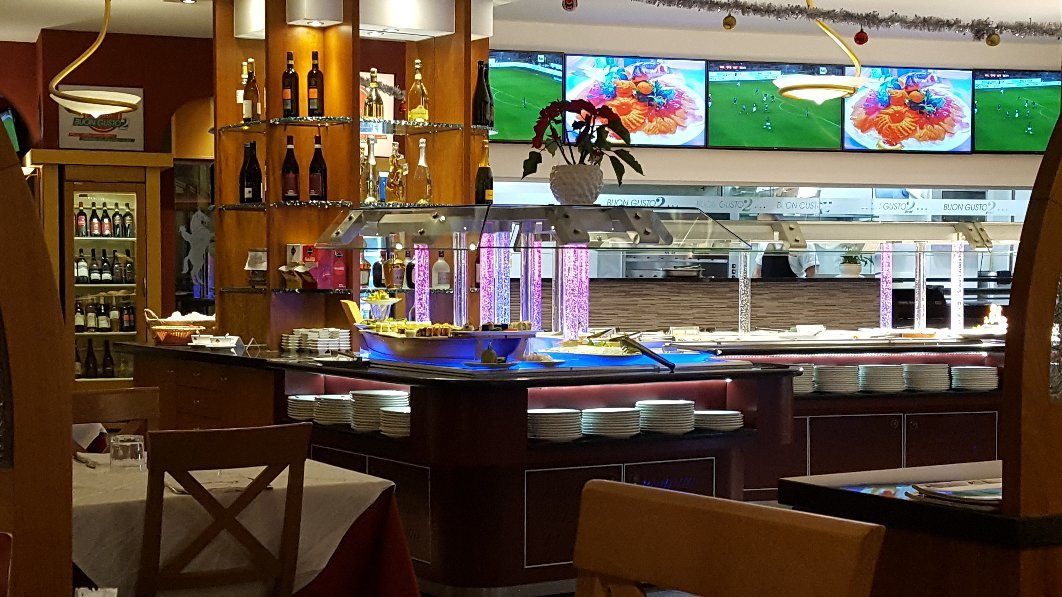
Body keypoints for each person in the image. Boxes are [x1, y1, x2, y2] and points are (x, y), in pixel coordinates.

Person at [751, 214, 818, 278]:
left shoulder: (802, 243)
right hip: (767, 285)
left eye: (769, 226)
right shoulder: (763, 242)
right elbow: (758, 271)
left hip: (794, 285)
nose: (765, 231)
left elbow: (812, 275)